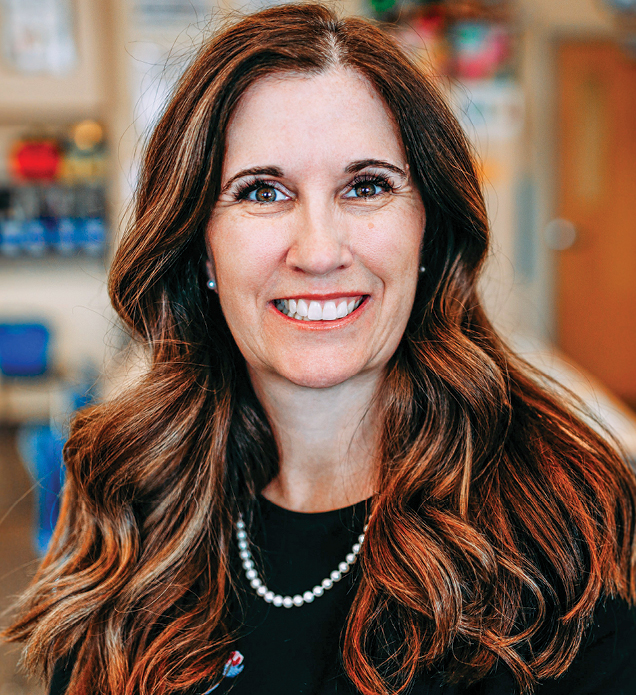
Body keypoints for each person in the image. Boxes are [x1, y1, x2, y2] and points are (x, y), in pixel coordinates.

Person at [5, 4, 636, 694]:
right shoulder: (131, 497)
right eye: (263, 191)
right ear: (201, 246)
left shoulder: (567, 522)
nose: (318, 251)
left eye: (366, 186)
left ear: (428, 228)